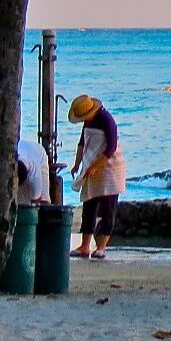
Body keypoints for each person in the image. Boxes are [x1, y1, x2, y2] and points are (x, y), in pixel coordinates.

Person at [67, 94, 127, 259]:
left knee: (108, 208)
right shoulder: (88, 121)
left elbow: (111, 148)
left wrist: (95, 167)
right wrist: (77, 163)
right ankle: (85, 246)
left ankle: (101, 247)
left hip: (110, 168)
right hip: (91, 166)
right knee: (89, 206)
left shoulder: (107, 120)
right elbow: (82, 143)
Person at [15, 136, 51, 205]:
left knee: (43, 199)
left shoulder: (34, 175)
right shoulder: (12, 161)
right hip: (22, 147)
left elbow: (37, 199)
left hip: (39, 154)